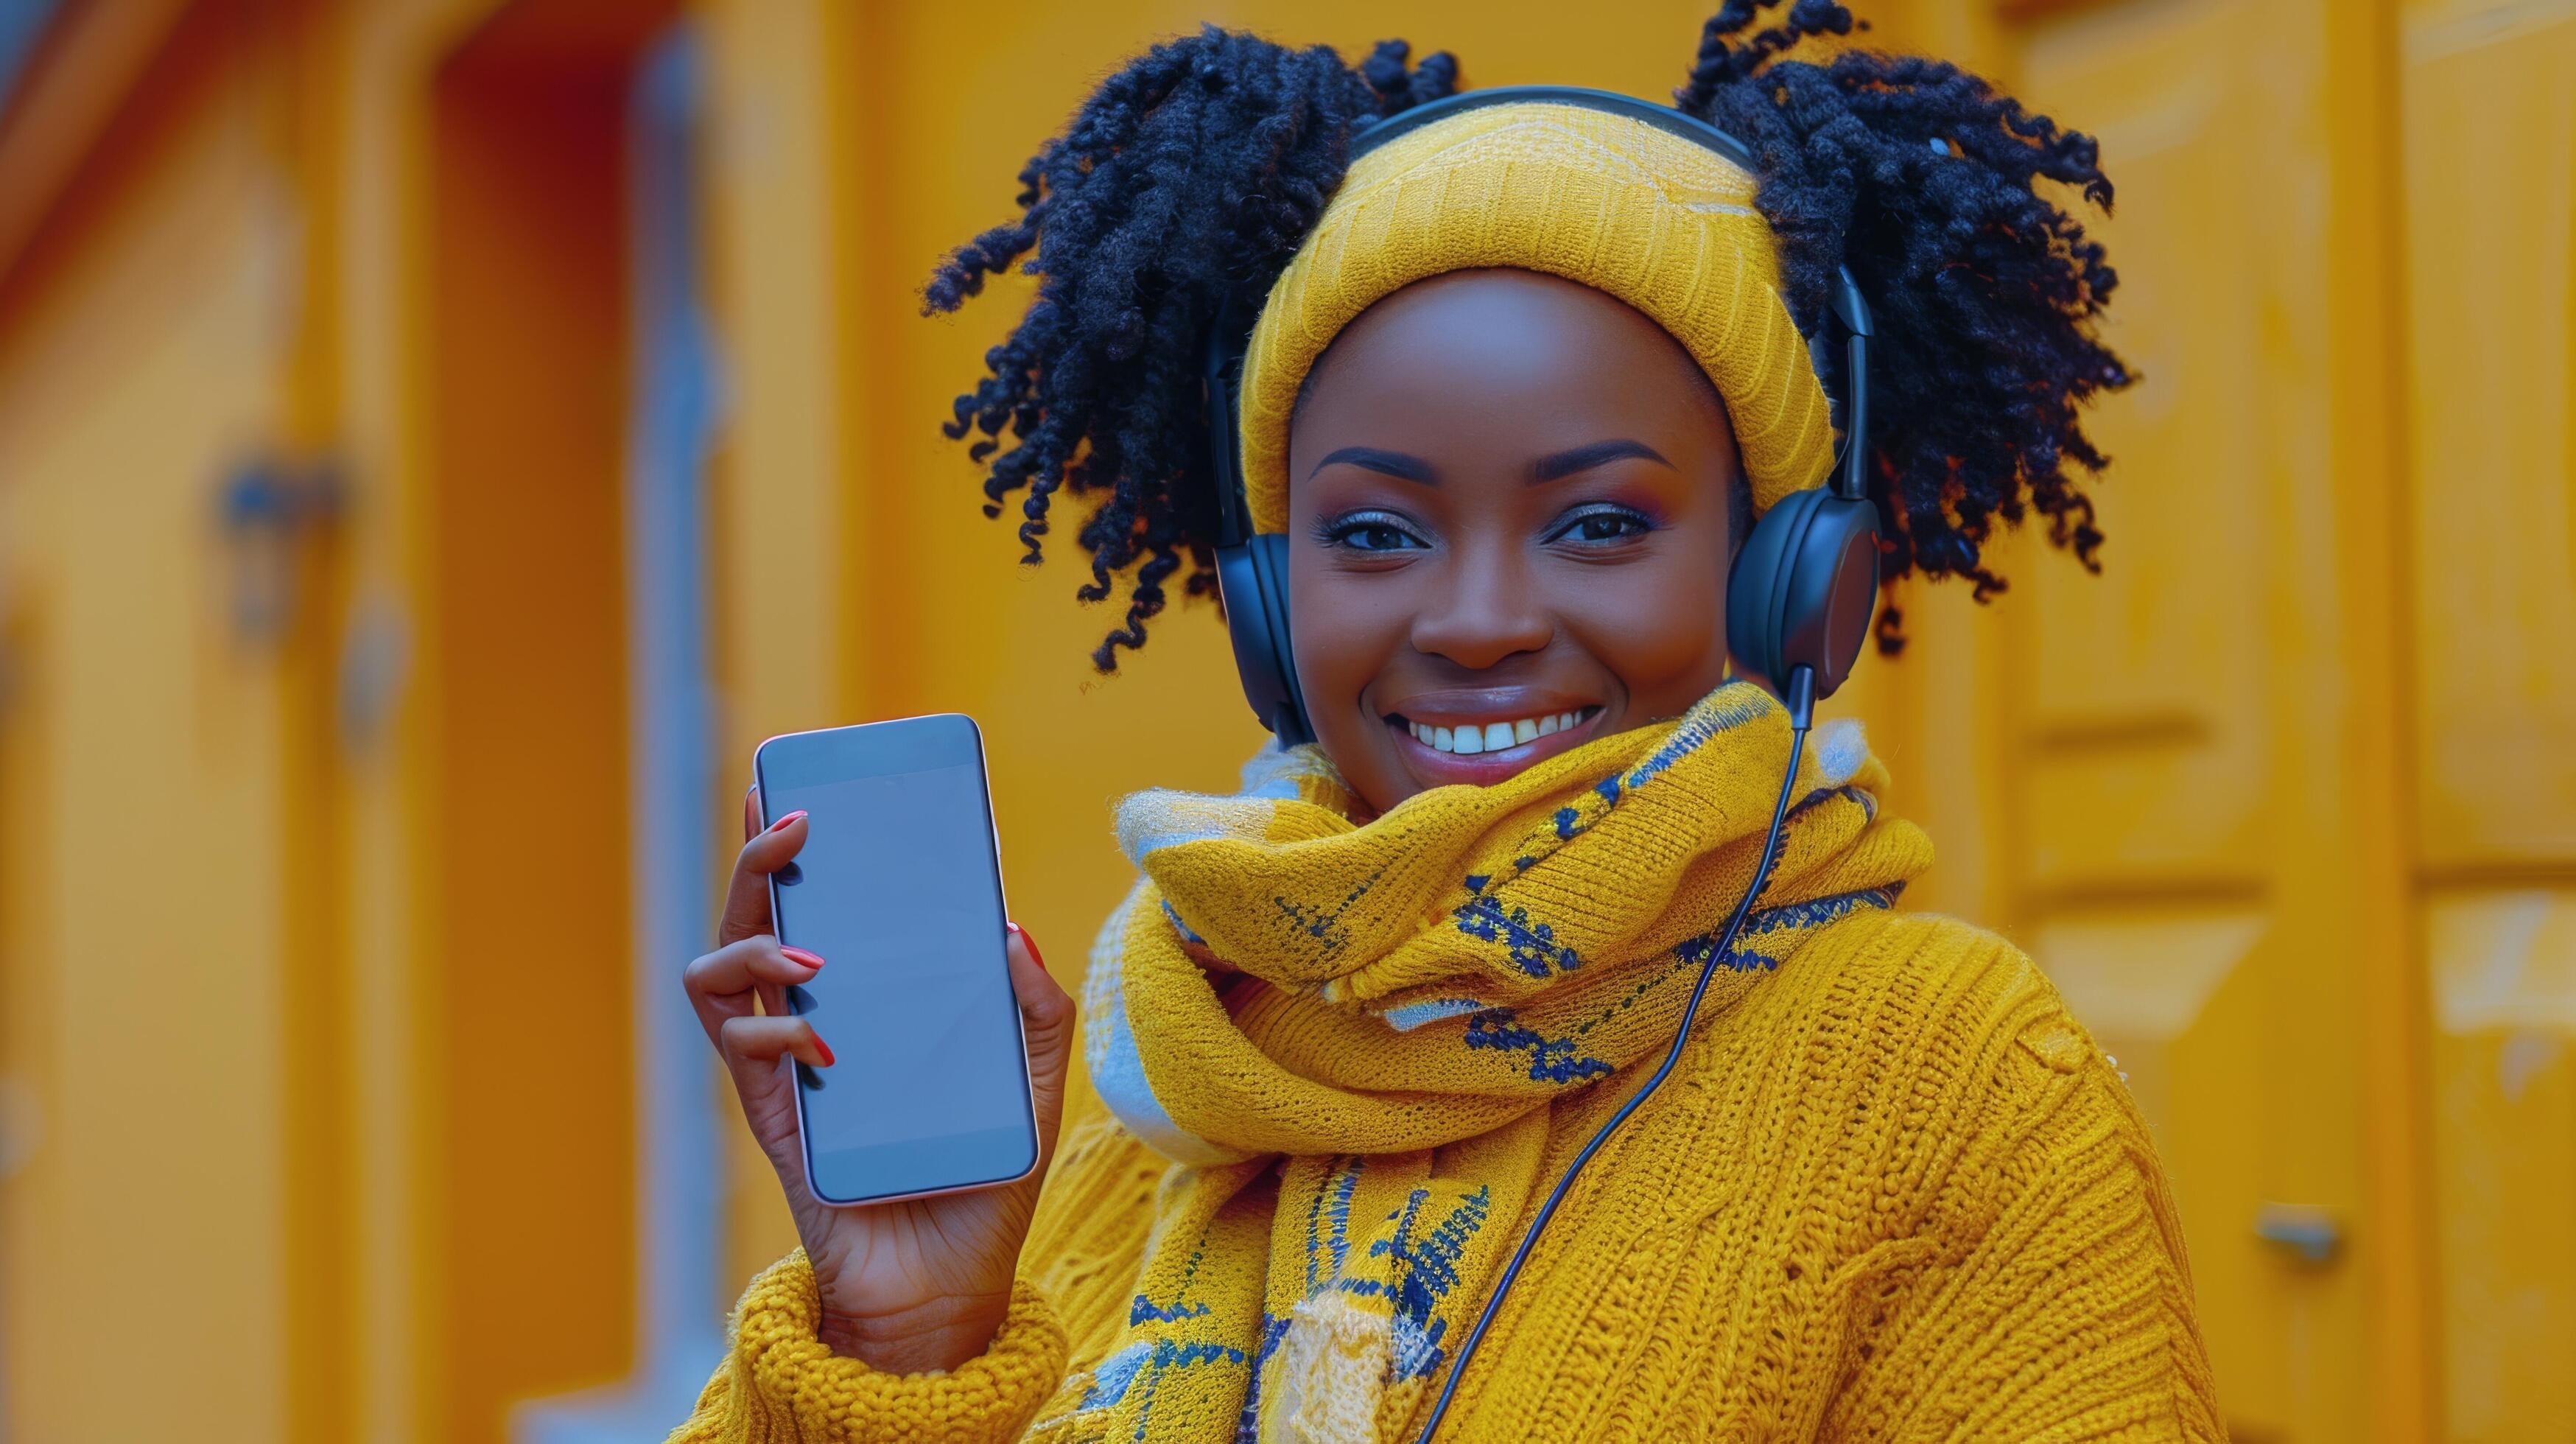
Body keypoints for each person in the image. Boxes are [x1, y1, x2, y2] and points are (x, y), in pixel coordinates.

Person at [671, 4, 2222, 1440]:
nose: (1477, 618)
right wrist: (909, 1334)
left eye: (1601, 523)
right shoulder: (1166, 1095)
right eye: (1381, 535)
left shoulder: (1955, 1078)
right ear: (1272, 608)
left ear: (1785, 580)